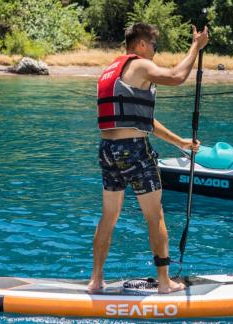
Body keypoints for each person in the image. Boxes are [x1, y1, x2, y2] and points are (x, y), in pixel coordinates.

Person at [89, 22, 209, 294]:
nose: (155, 50)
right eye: (154, 45)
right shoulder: (140, 65)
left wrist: (179, 142)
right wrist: (196, 46)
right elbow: (177, 76)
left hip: (108, 151)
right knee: (155, 216)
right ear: (141, 44)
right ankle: (165, 283)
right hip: (134, 151)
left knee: (108, 216)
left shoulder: (111, 70)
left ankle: (96, 281)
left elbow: (142, 119)